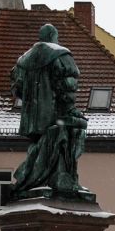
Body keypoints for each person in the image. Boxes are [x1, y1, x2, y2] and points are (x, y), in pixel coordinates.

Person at [10, 24, 88, 198]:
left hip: (33, 118)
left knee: (39, 146)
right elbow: (67, 86)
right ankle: (61, 177)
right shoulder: (59, 55)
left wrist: (34, 101)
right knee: (66, 137)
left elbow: (17, 89)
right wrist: (70, 109)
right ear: (53, 36)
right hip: (55, 114)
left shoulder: (23, 61)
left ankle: (34, 178)